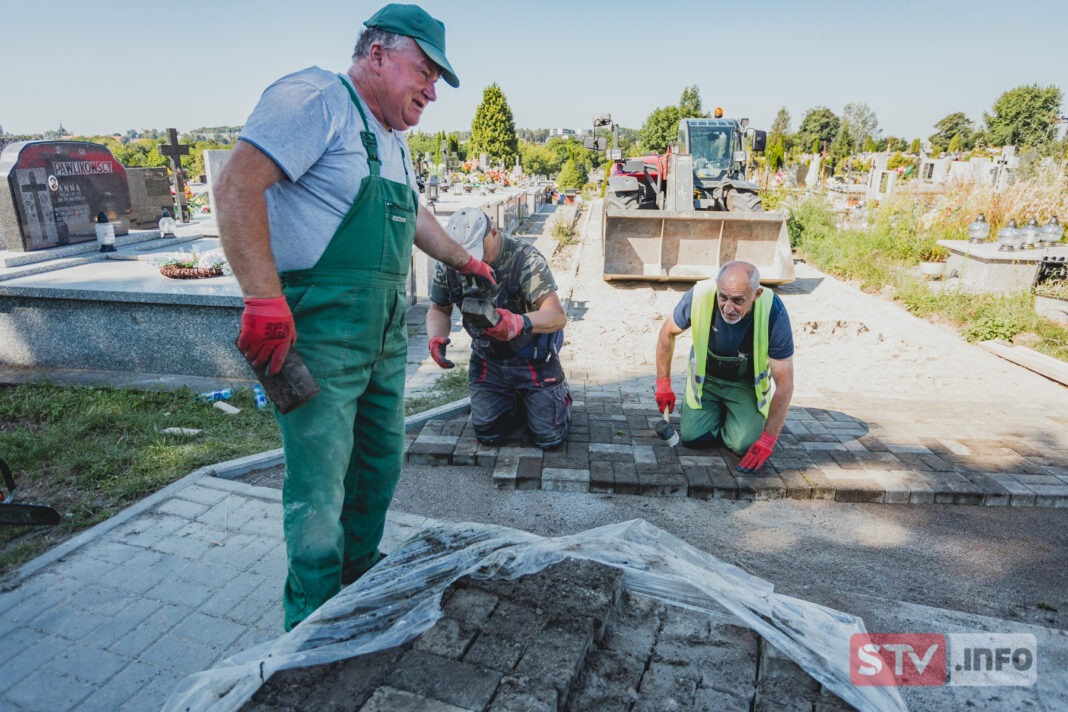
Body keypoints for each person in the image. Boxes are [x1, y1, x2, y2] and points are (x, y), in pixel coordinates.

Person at [215, 4, 496, 632]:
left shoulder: (392, 141)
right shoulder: (315, 99)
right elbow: (236, 185)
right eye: (424, 71)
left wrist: (464, 260)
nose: (431, 90)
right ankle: (310, 624)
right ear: (377, 55)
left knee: (380, 462)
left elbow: (415, 216)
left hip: (381, 338)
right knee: (319, 488)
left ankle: (358, 578)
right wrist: (262, 298)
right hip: (316, 336)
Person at [426, 207, 570, 448]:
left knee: (549, 438)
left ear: (494, 232)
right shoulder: (449, 263)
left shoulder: (525, 259)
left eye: (478, 252)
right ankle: (514, 399)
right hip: (488, 358)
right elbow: (439, 309)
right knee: (487, 433)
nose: (473, 262)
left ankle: (551, 398)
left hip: (533, 358)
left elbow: (556, 315)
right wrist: (436, 338)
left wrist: (518, 323)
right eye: (466, 256)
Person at [654, 261, 794, 473]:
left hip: (744, 385)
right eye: (723, 297)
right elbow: (667, 332)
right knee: (693, 438)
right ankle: (718, 414)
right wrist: (663, 383)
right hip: (706, 379)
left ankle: (733, 417)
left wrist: (768, 439)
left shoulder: (772, 310)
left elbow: (785, 384)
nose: (728, 308)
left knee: (742, 446)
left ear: (756, 295)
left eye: (738, 301)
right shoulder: (700, 295)